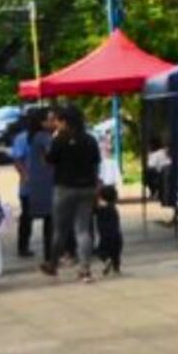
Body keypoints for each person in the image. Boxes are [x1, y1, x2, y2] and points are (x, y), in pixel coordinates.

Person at [43, 106, 101, 281]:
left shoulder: (59, 139)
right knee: (83, 229)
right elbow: (96, 162)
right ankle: (85, 269)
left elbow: (50, 160)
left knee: (60, 230)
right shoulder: (90, 140)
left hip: (64, 188)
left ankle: (53, 264)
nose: (56, 124)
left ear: (65, 122)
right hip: (87, 187)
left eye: (58, 121)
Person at [16, 108, 56, 259]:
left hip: (35, 183)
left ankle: (46, 252)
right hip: (39, 183)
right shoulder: (42, 138)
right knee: (40, 218)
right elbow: (18, 160)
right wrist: (25, 176)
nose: (53, 122)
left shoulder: (34, 137)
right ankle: (46, 253)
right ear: (41, 122)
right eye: (50, 119)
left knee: (39, 217)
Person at [93, 184, 124, 274]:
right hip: (117, 236)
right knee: (115, 254)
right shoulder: (113, 208)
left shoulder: (101, 208)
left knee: (100, 251)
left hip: (106, 236)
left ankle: (107, 260)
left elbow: (93, 211)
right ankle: (116, 268)